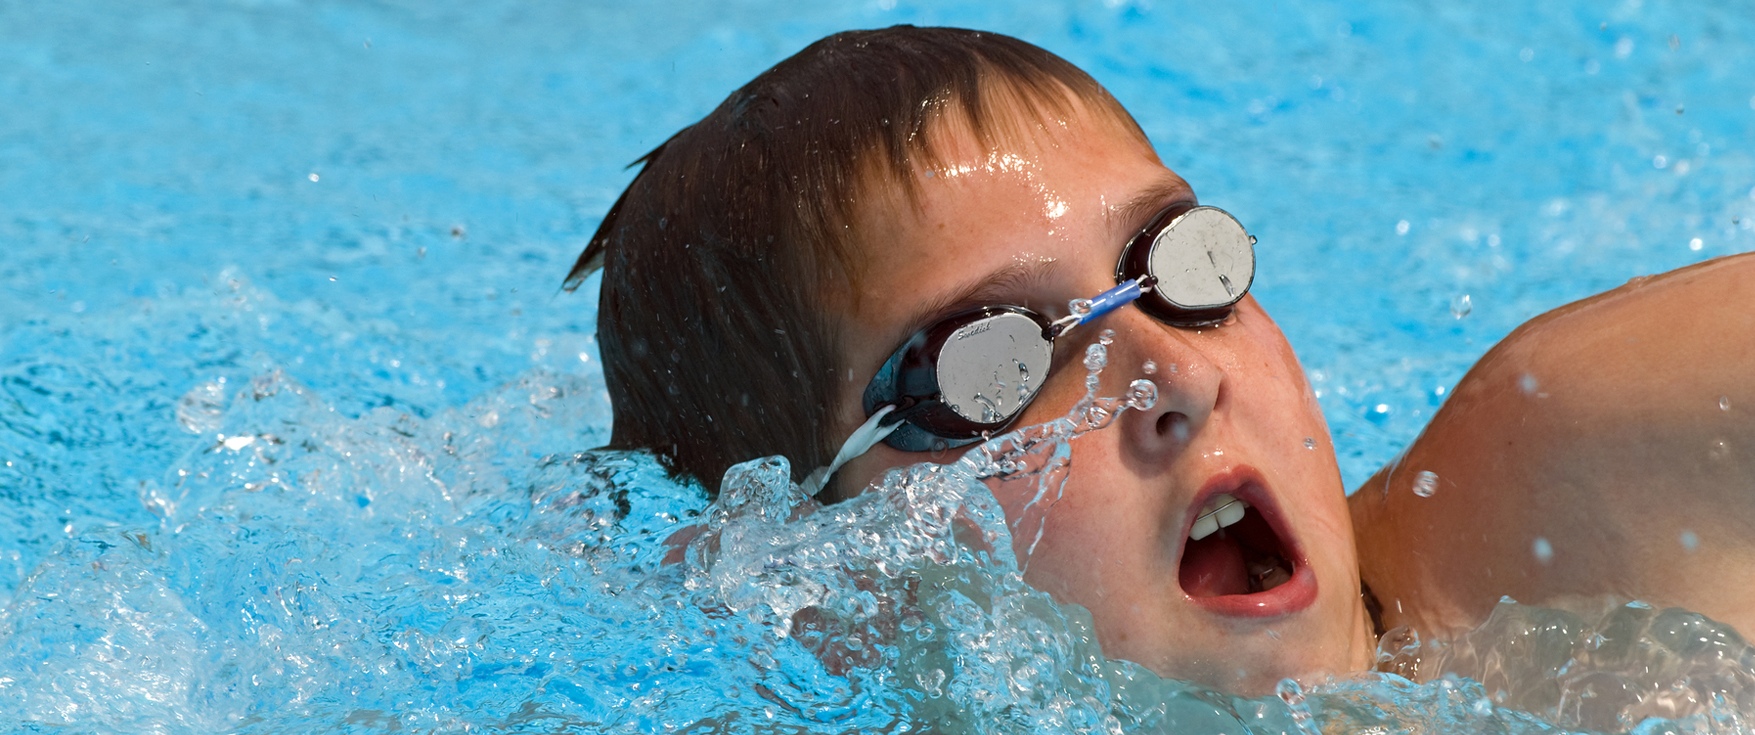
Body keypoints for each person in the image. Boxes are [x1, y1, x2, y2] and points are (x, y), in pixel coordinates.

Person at [560, 25, 1755, 694]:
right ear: (816, 586)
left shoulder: (1592, 477)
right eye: (996, 366)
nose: (1179, 379)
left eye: (1175, 270)